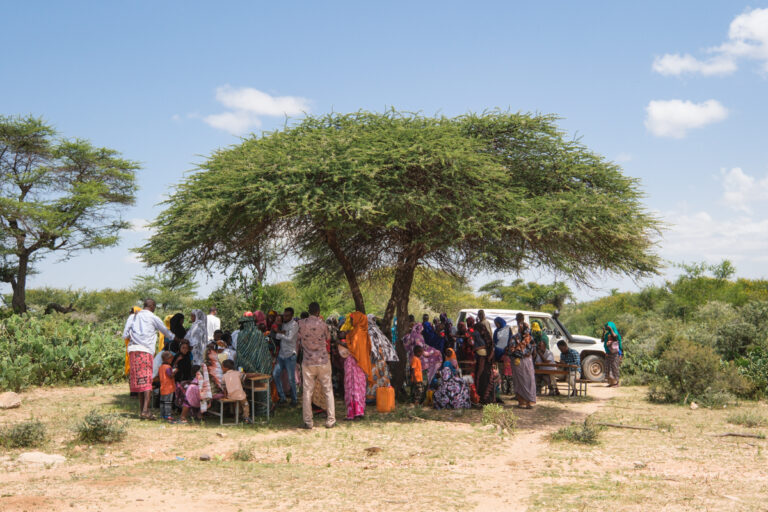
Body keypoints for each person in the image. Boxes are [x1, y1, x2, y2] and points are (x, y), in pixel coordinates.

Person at [122, 299, 179, 419]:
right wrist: (178, 339)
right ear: (152, 306)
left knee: (139, 381)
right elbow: (166, 332)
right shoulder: (153, 317)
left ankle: (142, 410)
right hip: (145, 350)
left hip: (133, 351)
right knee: (147, 381)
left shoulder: (132, 317)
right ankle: (145, 411)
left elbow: (125, 335)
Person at [298, 302, 335, 429]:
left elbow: (297, 338)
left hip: (308, 362)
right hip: (323, 360)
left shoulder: (301, 324)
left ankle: (308, 421)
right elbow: (329, 338)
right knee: (328, 390)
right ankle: (331, 420)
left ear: (309, 310)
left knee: (307, 391)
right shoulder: (323, 325)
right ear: (318, 312)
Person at [342, 311, 372, 420]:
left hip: (353, 363)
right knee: (359, 387)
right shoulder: (365, 334)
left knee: (351, 387)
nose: (350, 320)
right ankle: (359, 411)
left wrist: (340, 342)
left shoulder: (356, 332)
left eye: (352, 318)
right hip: (361, 364)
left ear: (358, 319)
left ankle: (352, 413)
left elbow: (353, 348)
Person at [509, 312, 536, 409]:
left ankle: (522, 402)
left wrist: (518, 352)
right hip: (527, 361)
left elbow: (511, 350)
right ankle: (529, 401)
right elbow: (532, 350)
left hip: (519, 361)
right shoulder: (530, 338)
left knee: (520, 380)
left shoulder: (515, 337)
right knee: (528, 380)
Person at [273, 307, 299, 405]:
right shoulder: (282, 324)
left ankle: (294, 399)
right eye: (284, 315)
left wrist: (279, 334)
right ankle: (282, 397)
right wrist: (280, 333)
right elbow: (275, 336)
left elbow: (289, 338)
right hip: (281, 355)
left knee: (291, 379)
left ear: (292, 315)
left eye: (287, 315)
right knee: (275, 374)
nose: (285, 317)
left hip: (290, 355)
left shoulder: (294, 325)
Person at [221, 359, 252, 424]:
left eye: (222, 367)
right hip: (240, 395)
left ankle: (236, 415)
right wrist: (243, 373)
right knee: (245, 404)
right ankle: (246, 417)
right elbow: (244, 377)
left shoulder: (224, 376)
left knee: (235, 403)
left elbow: (224, 388)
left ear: (226, 368)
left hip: (231, 396)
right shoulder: (238, 373)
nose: (221, 368)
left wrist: (225, 395)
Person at [472, 323, 494, 405]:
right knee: (480, 378)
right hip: (482, 360)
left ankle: (484, 398)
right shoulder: (482, 337)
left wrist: (478, 348)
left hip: (485, 361)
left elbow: (489, 348)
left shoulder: (486, 338)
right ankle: (480, 398)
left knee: (483, 378)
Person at [602, 322, 623, 387]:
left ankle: (616, 383)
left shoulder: (615, 333)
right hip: (609, 353)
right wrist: (603, 332)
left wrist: (611, 329)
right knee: (608, 367)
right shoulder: (607, 334)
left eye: (609, 326)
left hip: (615, 353)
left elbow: (615, 336)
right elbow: (602, 340)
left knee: (614, 367)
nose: (608, 327)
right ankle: (611, 383)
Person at [158, 351, 177, 421]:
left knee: (162, 402)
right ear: (167, 359)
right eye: (171, 359)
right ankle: (168, 415)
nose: (171, 360)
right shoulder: (168, 367)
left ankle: (162, 414)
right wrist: (175, 372)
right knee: (168, 402)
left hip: (163, 387)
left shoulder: (161, 367)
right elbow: (170, 375)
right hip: (169, 388)